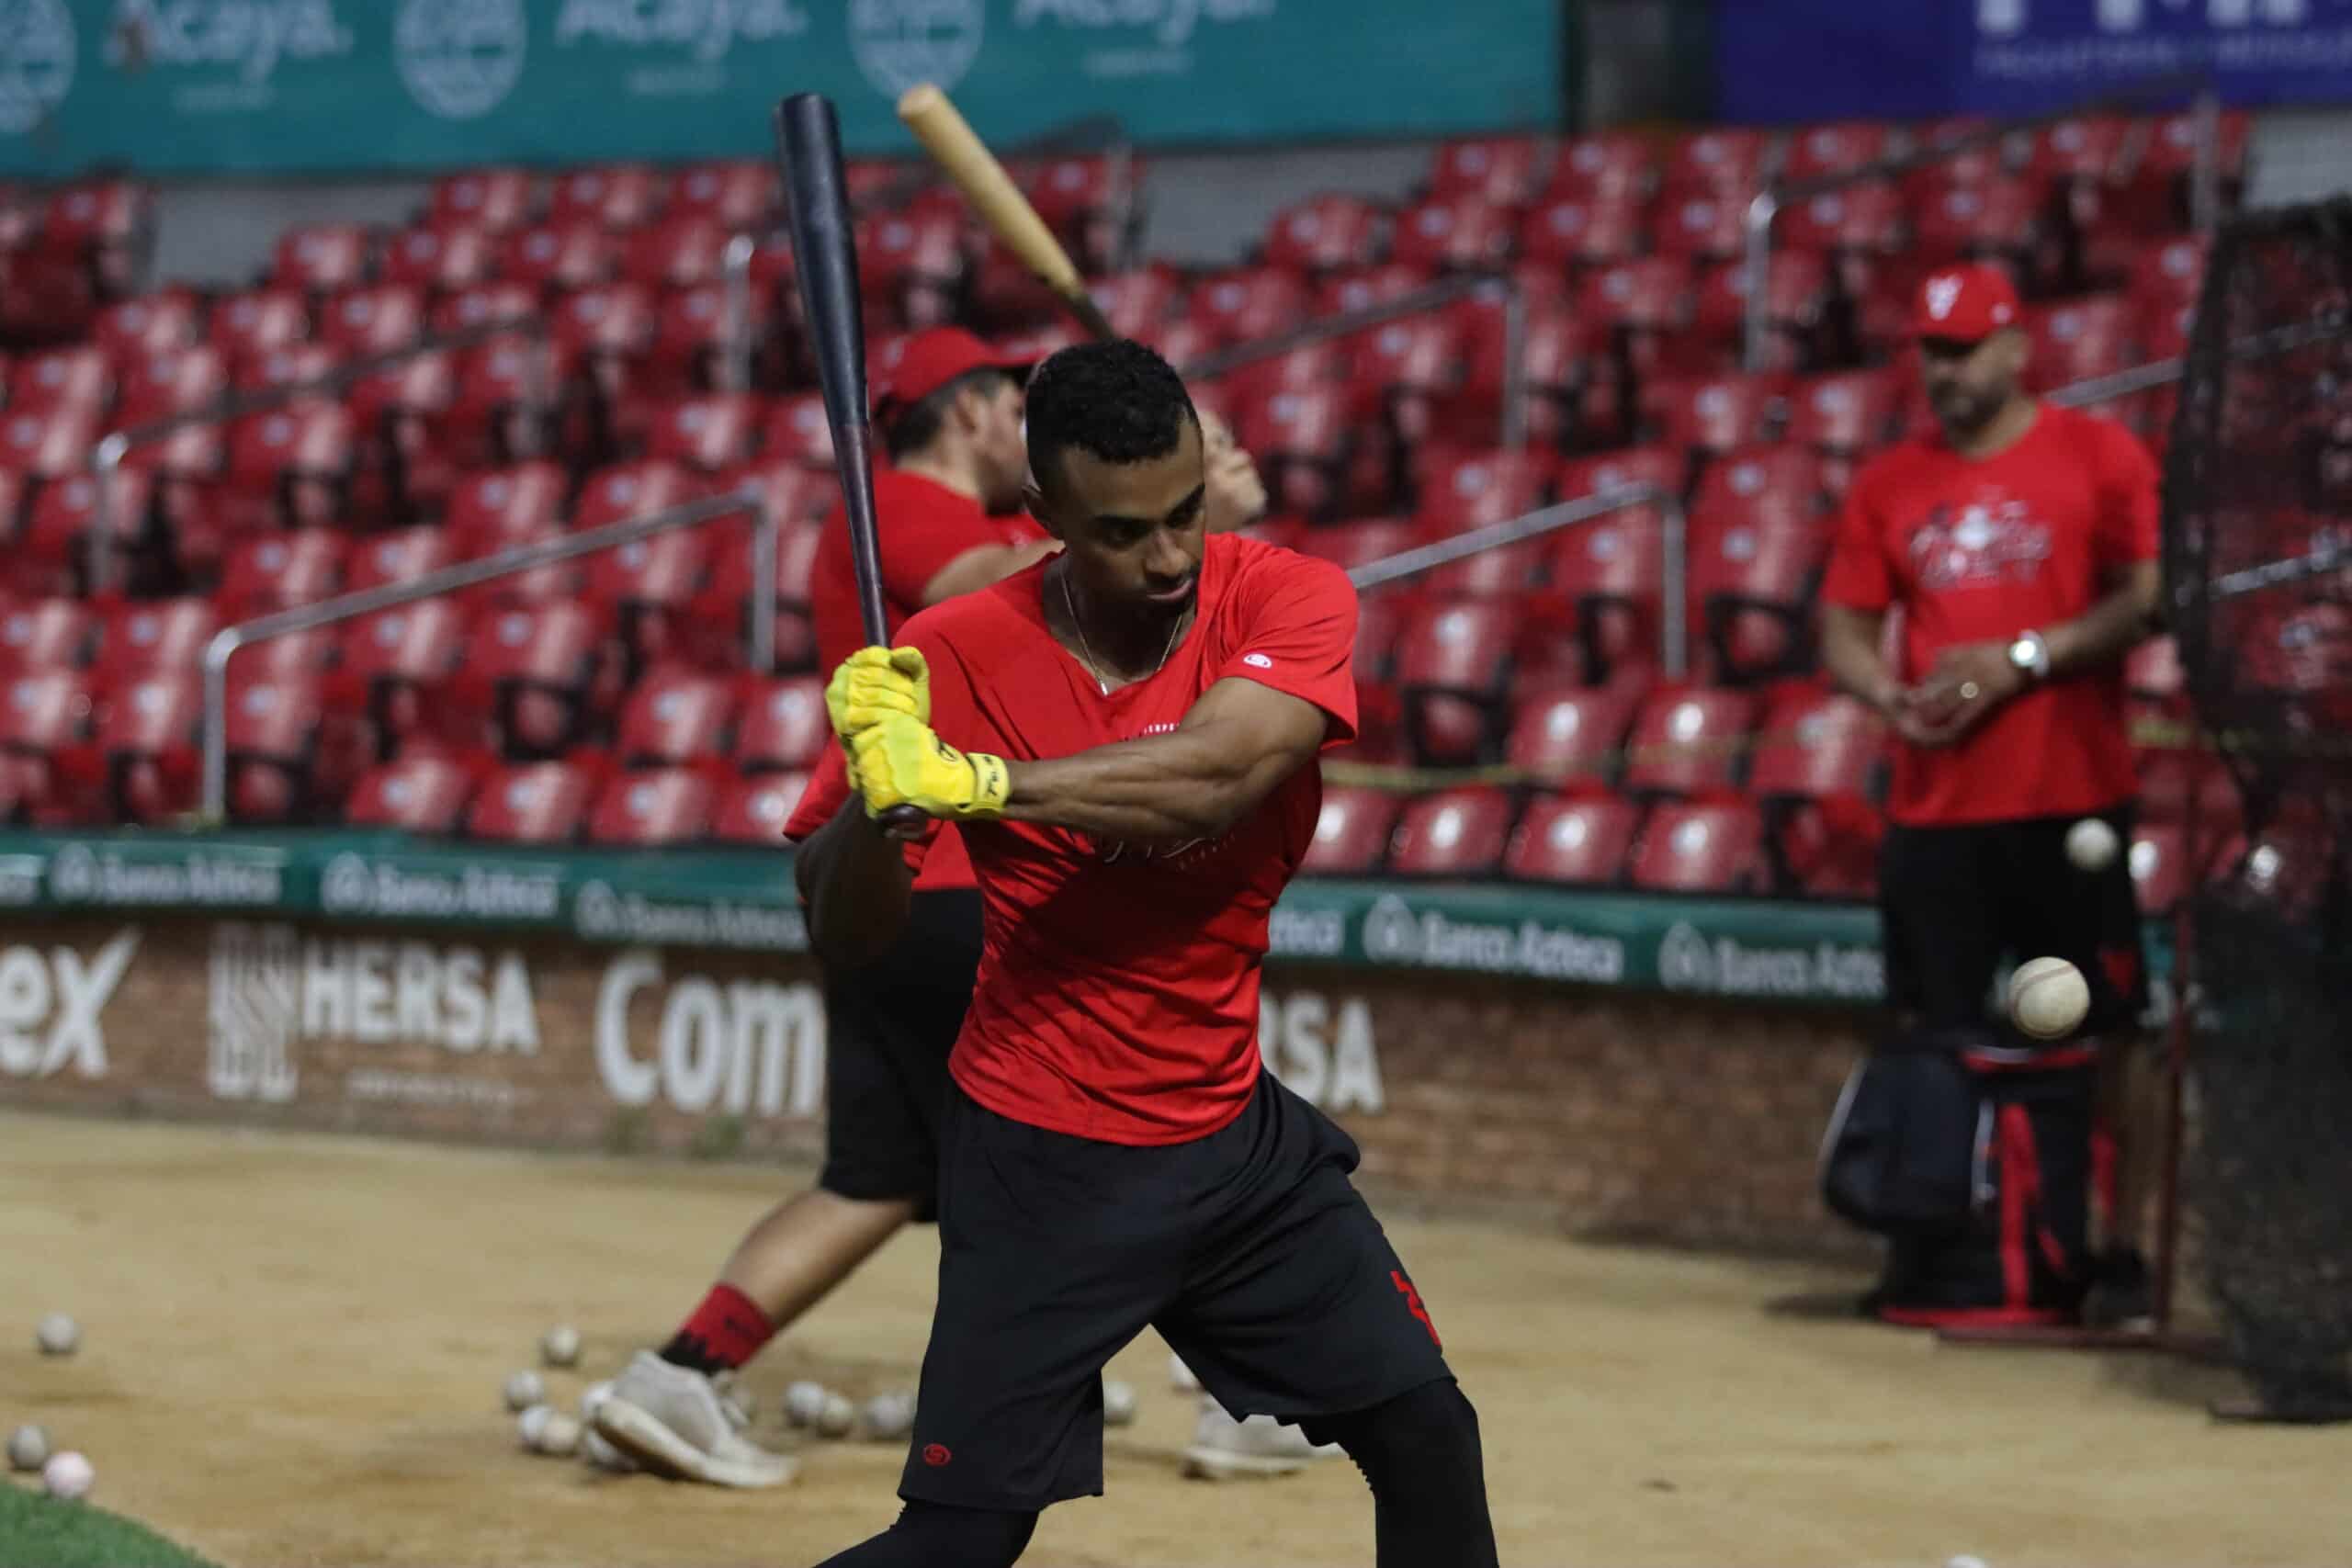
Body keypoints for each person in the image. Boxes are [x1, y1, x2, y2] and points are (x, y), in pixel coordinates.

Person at [790, 339, 1499, 1568]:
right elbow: (842, 928)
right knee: (959, 1540)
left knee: (1428, 1428)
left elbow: (1218, 775)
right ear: (1043, 513)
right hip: (1040, 1154)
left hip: (1231, 1142)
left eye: (1185, 514)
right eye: (1125, 532)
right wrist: (879, 803)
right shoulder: (951, 651)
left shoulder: (1284, 594)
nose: (1170, 556)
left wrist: (979, 781)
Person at [590, 328, 1295, 1486]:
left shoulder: (927, 520)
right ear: (969, 414)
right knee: (1134, 1137)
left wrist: (1194, 519)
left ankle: (678, 1375)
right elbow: (1016, 589)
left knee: (878, 1178)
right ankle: (1242, 1391)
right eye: (1011, 404)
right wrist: (1196, 511)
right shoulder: (911, 516)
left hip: (905, 887)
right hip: (964, 887)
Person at [1819, 262, 2164, 1317]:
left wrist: (2022, 657)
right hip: (1936, 809)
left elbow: (2147, 595)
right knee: (1932, 1036)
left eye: (1965, 348)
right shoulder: (1890, 481)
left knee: (2107, 1034)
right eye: (1931, 350)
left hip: (2068, 802)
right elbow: (1843, 624)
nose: (1946, 370)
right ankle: (1937, 1242)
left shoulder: (2096, 455)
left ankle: (2115, 1251)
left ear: (2017, 348)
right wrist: (1886, 690)